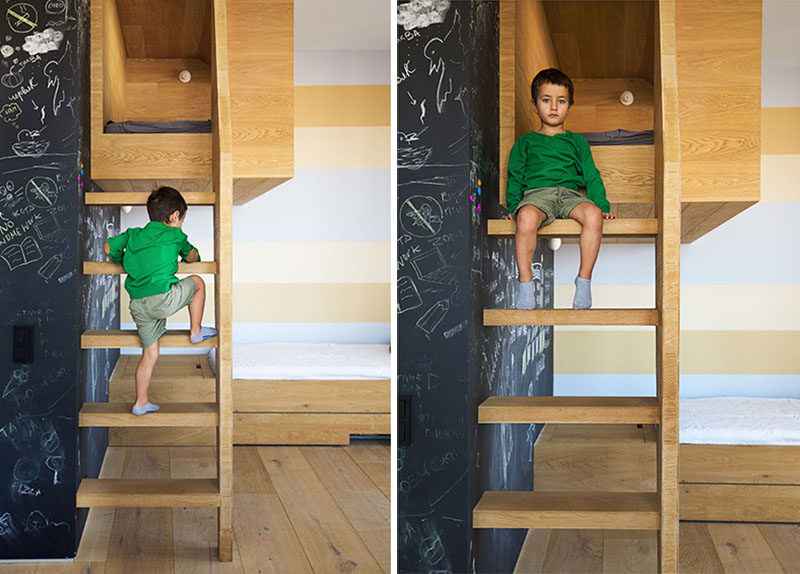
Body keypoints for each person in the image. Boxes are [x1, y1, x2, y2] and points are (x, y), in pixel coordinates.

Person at [505, 68, 616, 310]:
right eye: (546, 100)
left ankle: (584, 280)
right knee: (525, 218)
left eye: (561, 101)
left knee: (594, 215)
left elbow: (591, 176)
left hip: (569, 196)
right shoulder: (525, 142)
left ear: (569, 106)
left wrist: (602, 206)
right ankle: (525, 283)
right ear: (535, 105)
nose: (553, 107)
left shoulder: (577, 142)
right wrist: (514, 206)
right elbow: (514, 176)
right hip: (536, 196)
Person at [104, 186, 217, 415]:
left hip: (138, 306)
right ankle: (195, 330)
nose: (181, 224)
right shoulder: (176, 235)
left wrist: (122, 259)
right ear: (175, 216)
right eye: (182, 219)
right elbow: (192, 256)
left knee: (150, 354)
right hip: (163, 300)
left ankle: (140, 402)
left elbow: (108, 247)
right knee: (197, 282)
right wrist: (190, 252)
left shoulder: (133, 234)